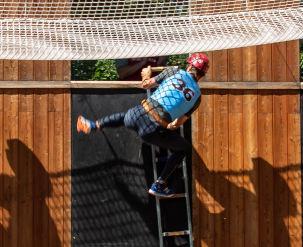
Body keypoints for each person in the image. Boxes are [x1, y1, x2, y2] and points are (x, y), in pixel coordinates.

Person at [77, 53, 208, 198]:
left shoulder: (175, 71)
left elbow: (145, 85)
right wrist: (169, 126)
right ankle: (159, 184)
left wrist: (146, 74)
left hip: (136, 115)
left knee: (124, 116)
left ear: (189, 65)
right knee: (184, 148)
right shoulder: (197, 98)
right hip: (151, 130)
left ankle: (94, 125)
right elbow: (177, 124)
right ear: (202, 75)